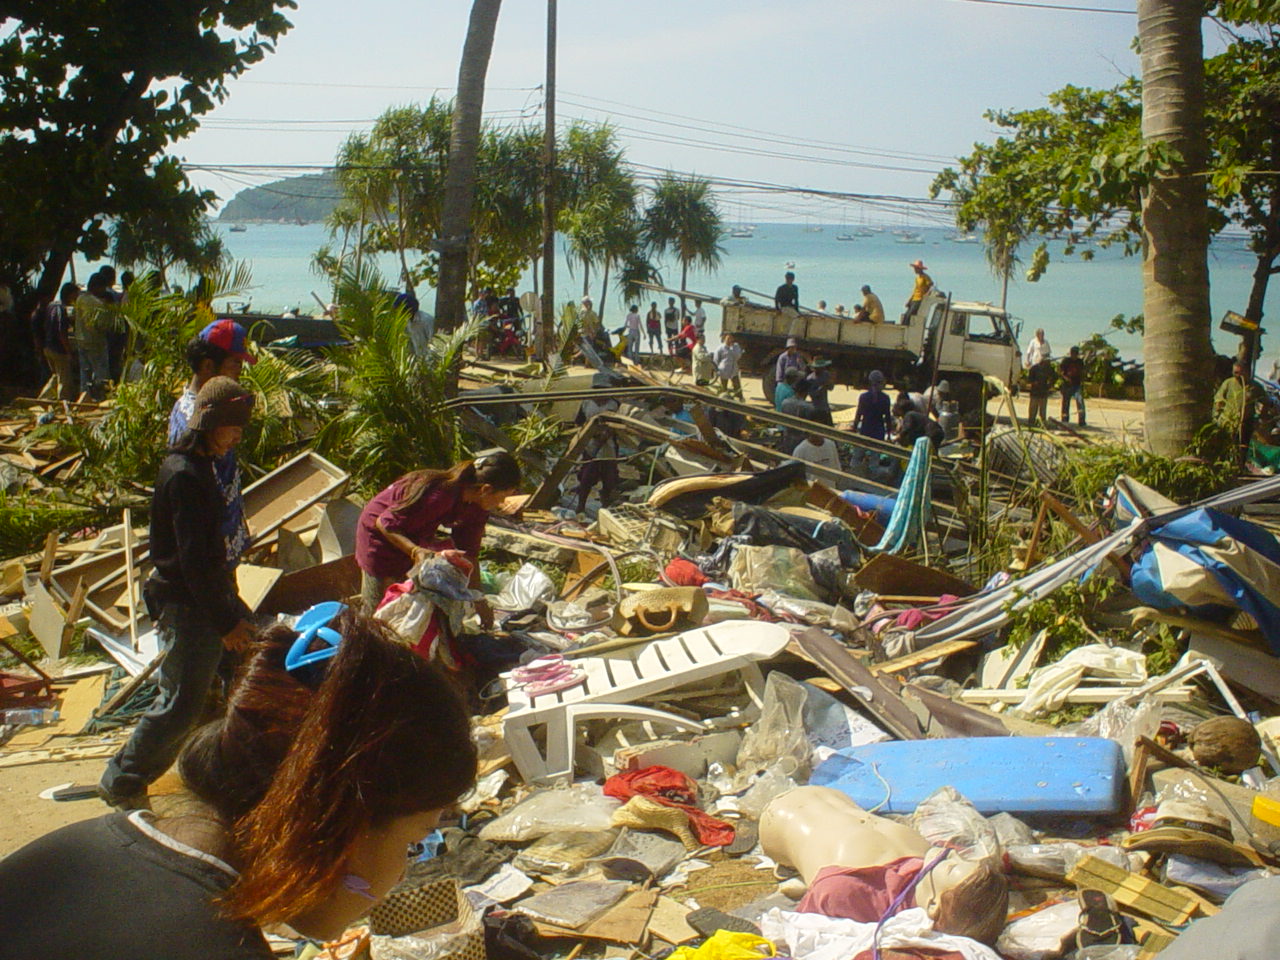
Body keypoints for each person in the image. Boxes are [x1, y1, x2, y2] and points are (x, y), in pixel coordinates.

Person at [3, 607, 478, 958]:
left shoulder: (75, 852)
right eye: (413, 845)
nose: (399, 875)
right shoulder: (210, 945)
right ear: (336, 820)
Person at [98, 378, 258, 810]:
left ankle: (227, 772)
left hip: (209, 593)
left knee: (253, 667)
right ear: (212, 425)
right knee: (181, 704)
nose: (237, 438)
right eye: (233, 429)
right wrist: (226, 622)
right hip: (188, 604)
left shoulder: (203, 467)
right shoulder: (184, 476)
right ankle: (124, 780)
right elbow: (193, 562)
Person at [761, 786, 1007, 946]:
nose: (949, 853)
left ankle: (794, 873)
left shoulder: (850, 891)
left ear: (933, 904)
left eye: (951, 867)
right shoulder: (925, 859)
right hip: (834, 796)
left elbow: (798, 931)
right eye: (959, 858)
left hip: (778, 815)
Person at [355, 453, 521, 622]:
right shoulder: (441, 494)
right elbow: (384, 523)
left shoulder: (477, 508)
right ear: (486, 489)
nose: (502, 503)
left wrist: (479, 599)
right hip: (379, 537)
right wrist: (415, 550)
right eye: (503, 497)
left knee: (405, 605)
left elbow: (469, 553)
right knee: (377, 613)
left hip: (413, 536)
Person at [170, 321, 257, 568]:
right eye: (235, 364)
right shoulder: (200, 425)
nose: (239, 371)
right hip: (212, 558)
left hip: (221, 552)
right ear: (208, 365)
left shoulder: (199, 409)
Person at [575, 372, 622, 514]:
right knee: (586, 477)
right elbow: (579, 423)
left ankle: (606, 505)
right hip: (590, 445)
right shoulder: (586, 403)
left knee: (609, 478)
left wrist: (607, 434)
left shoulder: (614, 404)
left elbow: (619, 424)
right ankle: (581, 505)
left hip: (609, 447)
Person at [33, 282, 79, 400]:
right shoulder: (62, 310)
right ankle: (64, 402)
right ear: (69, 295)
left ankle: (44, 398)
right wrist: (68, 351)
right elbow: (61, 333)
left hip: (48, 347)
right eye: (75, 295)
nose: (76, 299)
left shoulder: (51, 306)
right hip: (58, 349)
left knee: (56, 376)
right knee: (65, 379)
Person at [75, 271, 116, 400]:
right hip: (95, 342)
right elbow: (101, 325)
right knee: (101, 372)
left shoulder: (81, 299)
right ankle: (101, 397)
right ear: (96, 287)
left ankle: (84, 396)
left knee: (85, 372)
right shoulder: (96, 303)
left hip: (81, 340)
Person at [853, 370, 892, 441]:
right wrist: (889, 434)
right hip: (878, 430)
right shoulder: (885, 398)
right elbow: (887, 417)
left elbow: (858, 415)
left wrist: (854, 428)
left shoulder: (863, 397)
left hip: (866, 428)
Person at [1059, 345, 1086, 425]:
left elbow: (1082, 372)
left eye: (1076, 354)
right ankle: (1065, 419)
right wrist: (1066, 378)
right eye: (1073, 353)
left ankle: (1082, 421)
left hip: (1076, 385)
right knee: (1066, 403)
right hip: (1067, 386)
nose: (1074, 355)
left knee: (1080, 401)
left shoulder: (1080, 362)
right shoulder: (1066, 361)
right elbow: (1061, 372)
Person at [803, 357, 835, 426]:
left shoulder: (826, 374)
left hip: (825, 407)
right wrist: (821, 388)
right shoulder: (810, 379)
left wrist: (830, 382)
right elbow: (812, 394)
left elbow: (831, 388)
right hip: (816, 408)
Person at [1026, 357, 1056, 426]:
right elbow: (1029, 380)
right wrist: (1034, 383)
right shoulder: (1034, 368)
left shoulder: (1049, 369)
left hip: (1044, 392)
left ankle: (1042, 424)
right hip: (1035, 392)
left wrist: (1050, 384)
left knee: (1042, 411)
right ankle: (1031, 423)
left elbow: (1054, 377)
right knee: (1033, 410)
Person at [715, 331, 745, 400]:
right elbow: (716, 359)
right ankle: (723, 399)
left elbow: (738, 356)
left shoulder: (736, 346)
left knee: (737, 386)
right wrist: (716, 370)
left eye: (731, 338)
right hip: (724, 370)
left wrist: (732, 348)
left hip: (733, 370)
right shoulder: (720, 348)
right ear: (724, 338)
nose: (729, 340)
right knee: (723, 387)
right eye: (728, 338)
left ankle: (740, 398)